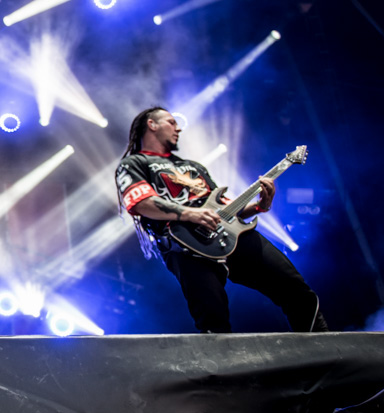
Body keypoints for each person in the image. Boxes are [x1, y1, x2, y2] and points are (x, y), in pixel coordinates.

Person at [115, 106, 326, 333]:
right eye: (171, 122)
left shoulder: (193, 167)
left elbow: (225, 209)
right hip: (185, 246)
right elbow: (141, 203)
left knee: (296, 290)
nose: (178, 129)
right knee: (213, 322)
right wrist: (189, 214)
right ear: (152, 124)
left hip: (230, 235)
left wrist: (259, 206)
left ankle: (322, 349)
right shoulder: (134, 164)